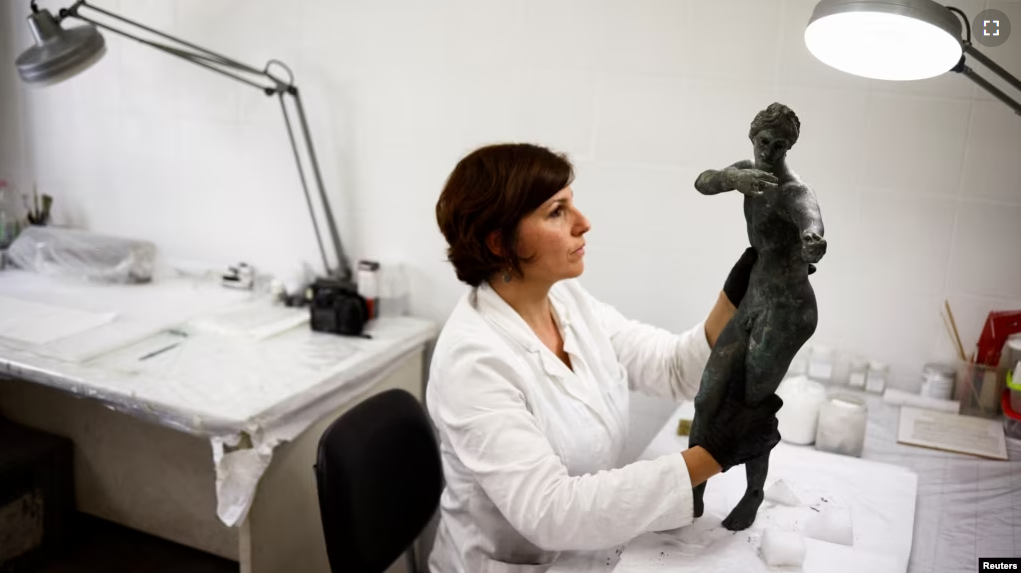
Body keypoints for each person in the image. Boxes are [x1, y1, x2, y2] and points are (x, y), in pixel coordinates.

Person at [426, 143, 783, 572]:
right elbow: (550, 511)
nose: (584, 223)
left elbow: (671, 370)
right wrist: (713, 455)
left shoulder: (565, 300)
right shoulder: (472, 362)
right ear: (499, 242)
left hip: (591, 555)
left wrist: (733, 298)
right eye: (557, 211)